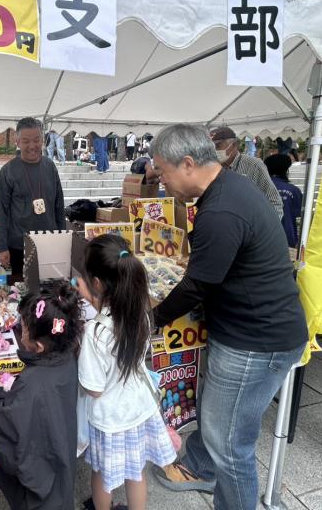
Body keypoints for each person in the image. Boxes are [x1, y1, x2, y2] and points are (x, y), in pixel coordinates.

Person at [149, 124, 307, 510]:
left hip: (255, 342)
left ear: (188, 163)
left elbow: (197, 285)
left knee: (231, 444)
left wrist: (151, 318)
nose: (160, 181)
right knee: (217, 413)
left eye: (163, 172)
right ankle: (202, 468)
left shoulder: (220, 209)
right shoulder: (229, 187)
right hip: (248, 331)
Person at [77, 234, 176, 510]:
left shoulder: (95, 332)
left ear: (97, 283)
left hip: (110, 418)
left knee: (102, 475)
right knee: (136, 471)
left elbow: (94, 388)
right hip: (139, 409)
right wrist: (90, 298)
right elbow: (114, 316)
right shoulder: (140, 313)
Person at [0, 280, 83, 509]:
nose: (20, 334)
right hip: (60, 458)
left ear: (39, 346)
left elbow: (3, 427)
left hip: (38, 488)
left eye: (23, 329)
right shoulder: (68, 358)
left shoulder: (32, 383)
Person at [0, 118, 65, 283]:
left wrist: (62, 237)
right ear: (17, 141)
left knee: (51, 288)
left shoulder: (50, 167)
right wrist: (2, 247)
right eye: (26, 141)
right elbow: (1, 211)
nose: (32, 146)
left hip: (50, 241)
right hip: (19, 245)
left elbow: (59, 205)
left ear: (42, 140)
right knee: (22, 290)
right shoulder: (8, 171)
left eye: (36, 140)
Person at [210, 126, 284, 220]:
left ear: (234, 145)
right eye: (211, 148)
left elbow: (274, 201)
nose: (215, 151)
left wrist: (267, 226)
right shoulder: (212, 168)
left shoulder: (254, 165)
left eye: (218, 146)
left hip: (251, 224)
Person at [264, 153, 303, 248]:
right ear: (286, 170)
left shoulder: (259, 187)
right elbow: (299, 215)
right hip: (287, 238)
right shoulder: (293, 190)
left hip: (262, 238)